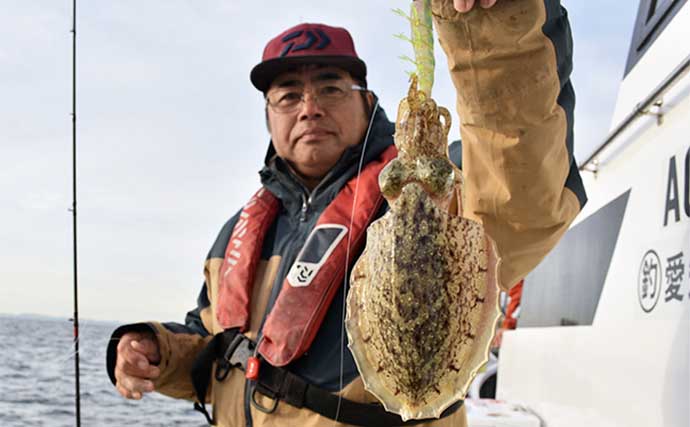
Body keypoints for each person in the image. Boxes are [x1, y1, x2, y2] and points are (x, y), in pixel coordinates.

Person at [106, 0, 587, 426]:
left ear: (368, 102)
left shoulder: (443, 187)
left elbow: (519, 184)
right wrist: (154, 351)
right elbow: (215, 340)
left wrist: (493, 23)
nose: (310, 107)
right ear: (269, 116)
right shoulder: (240, 231)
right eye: (289, 94)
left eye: (331, 88)